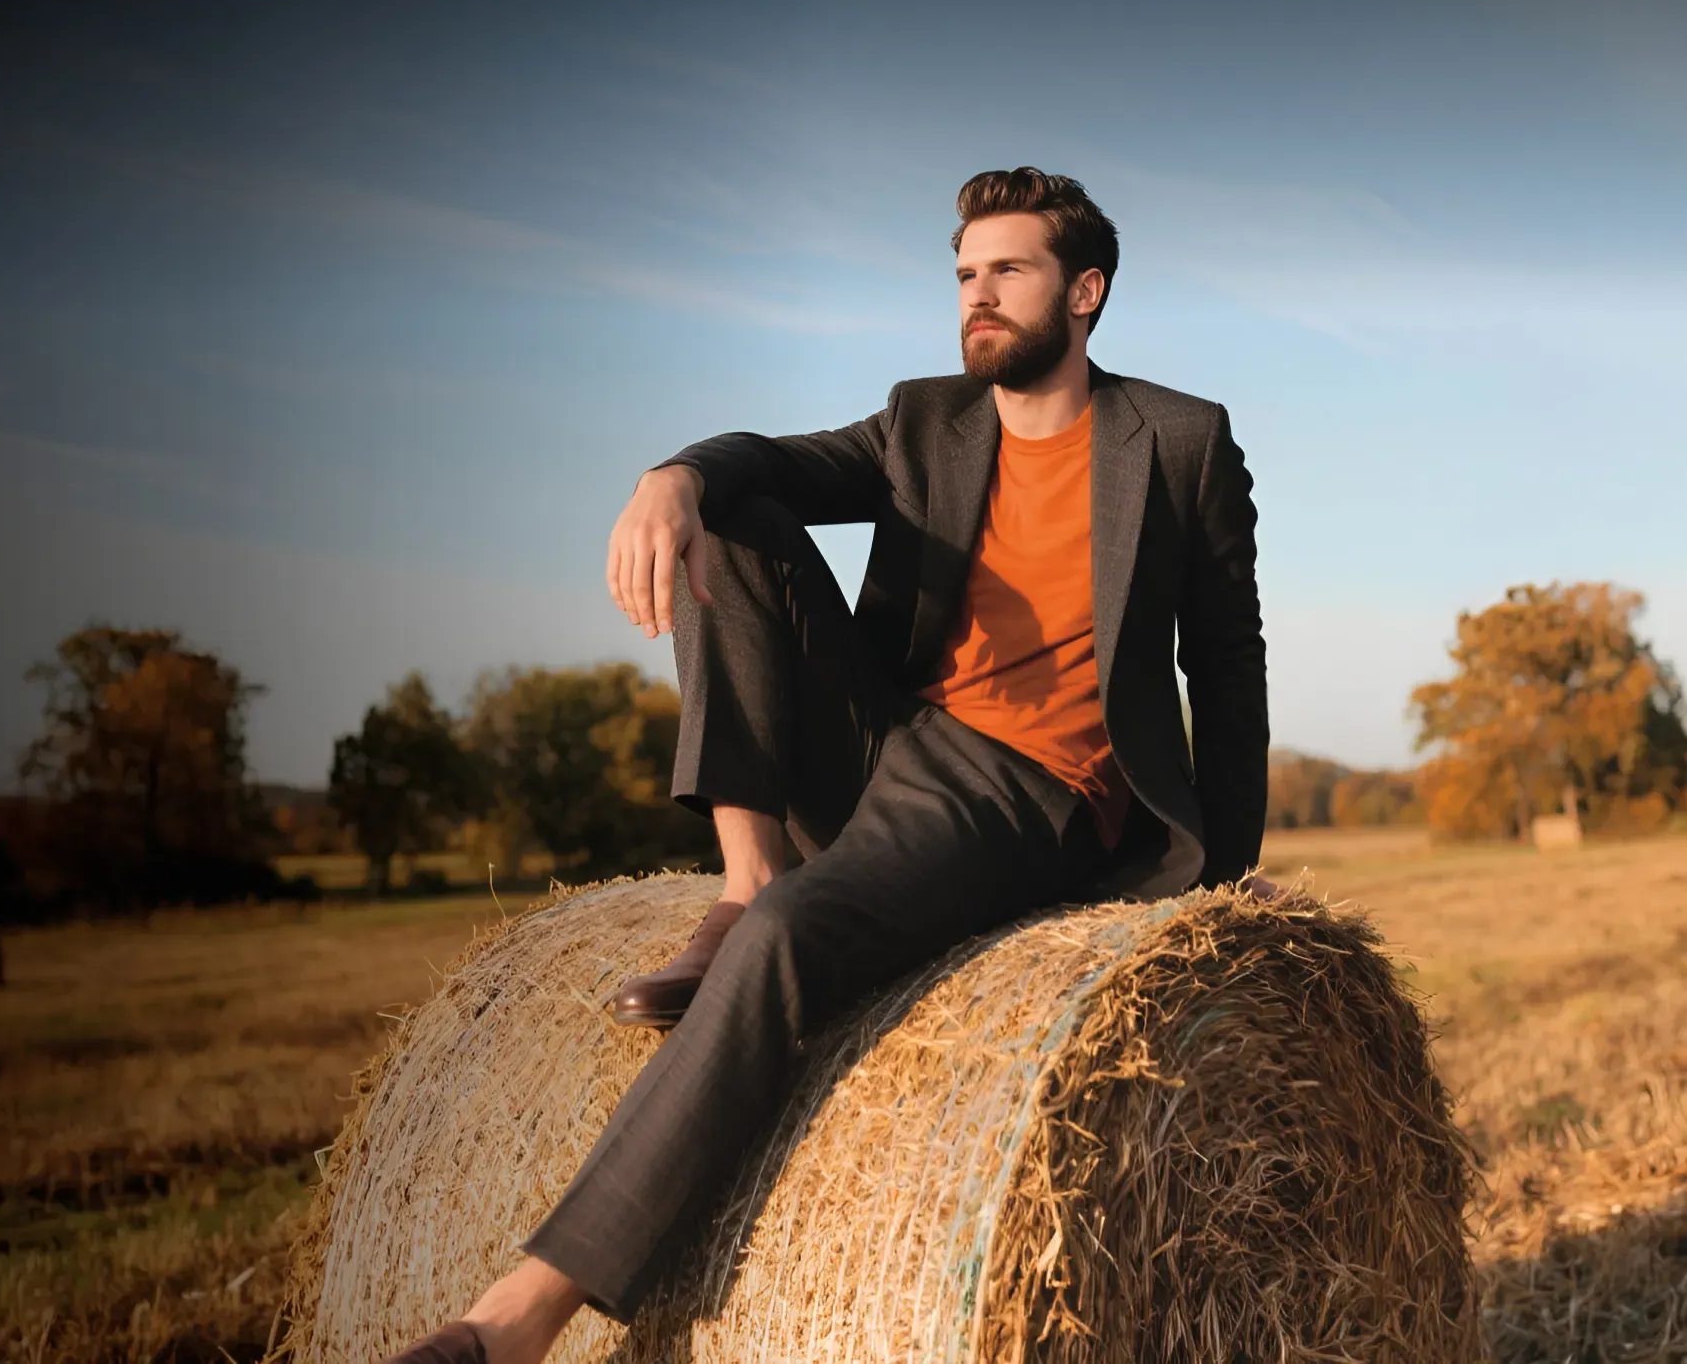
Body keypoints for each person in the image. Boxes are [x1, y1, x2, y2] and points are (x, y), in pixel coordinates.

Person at [381, 167, 1268, 1364]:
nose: (978, 295)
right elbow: (770, 461)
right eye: (965, 273)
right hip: (892, 741)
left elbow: (1227, 663)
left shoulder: (1180, 440)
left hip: (1026, 788)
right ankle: (744, 875)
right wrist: (671, 479)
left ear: (1085, 291)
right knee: (735, 516)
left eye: (1008, 270)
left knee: (793, 941)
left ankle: (514, 1318)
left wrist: (1227, 882)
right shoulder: (927, 420)